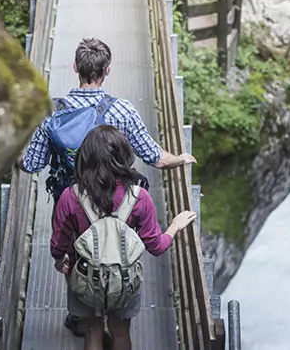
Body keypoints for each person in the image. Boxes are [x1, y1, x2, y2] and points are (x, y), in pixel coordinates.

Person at [19, 37, 196, 335]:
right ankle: (117, 303)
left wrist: (14, 155)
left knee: (74, 254)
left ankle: (82, 314)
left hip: (71, 200)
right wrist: (179, 158)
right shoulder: (122, 111)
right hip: (118, 202)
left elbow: (33, 164)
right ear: (108, 70)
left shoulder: (53, 114)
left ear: (75, 67)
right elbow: (155, 157)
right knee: (120, 249)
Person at [51, 126, 197, 350]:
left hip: (84, 275)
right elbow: (156, 247)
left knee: (92, 332)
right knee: (120, 334)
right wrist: (174, 227)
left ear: (85, 158)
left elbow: (57, 247)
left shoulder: (70, 197)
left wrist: (62, 260)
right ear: (124, 157)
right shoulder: (140, 198)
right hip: (124, 277)